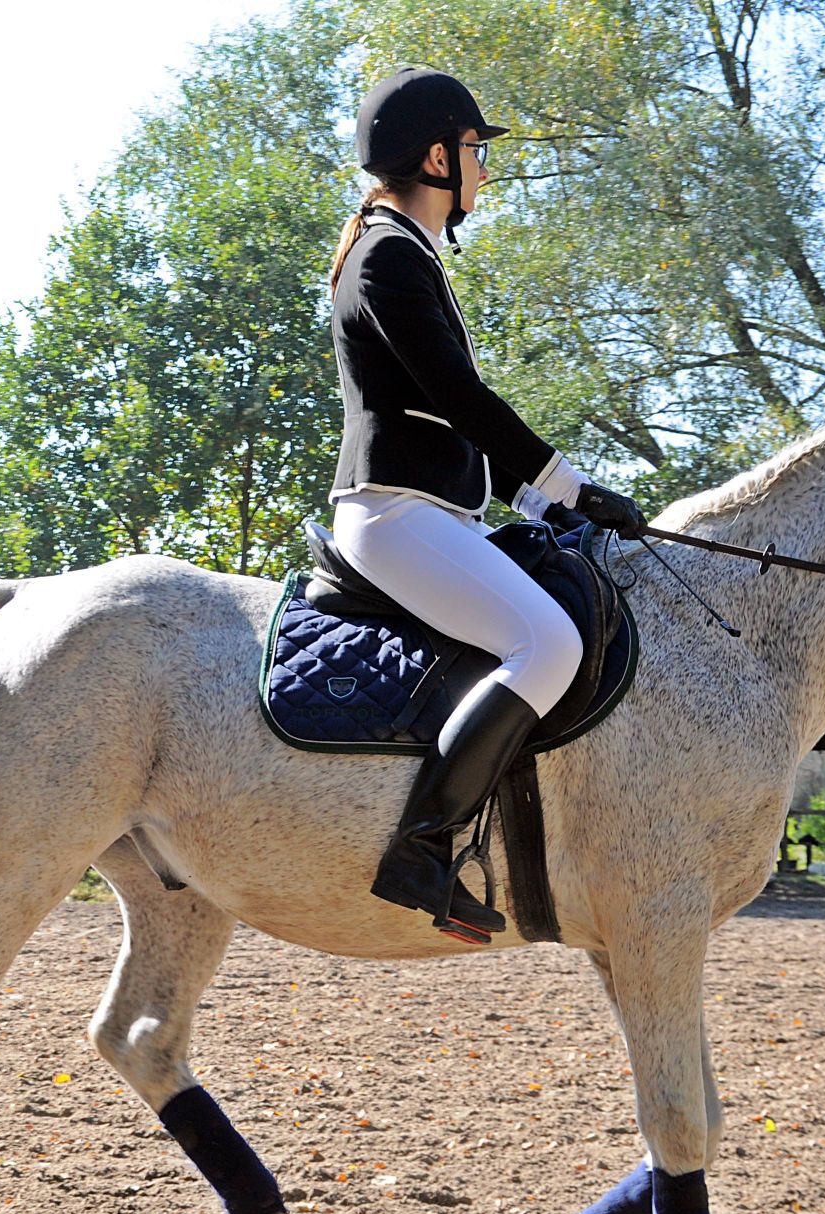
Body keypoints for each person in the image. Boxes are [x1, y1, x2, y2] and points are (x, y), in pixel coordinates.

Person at [327, 67, 647, 943]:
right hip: (396, 515)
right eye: (474, 151)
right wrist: (565, 486)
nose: (485, 169)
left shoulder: (404, 250)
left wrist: (547, 510)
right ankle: (421, 847)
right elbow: (461, 397)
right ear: (436, 158)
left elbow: (447, 413)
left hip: (434, 511)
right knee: (547, 643)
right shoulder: (388, 256)